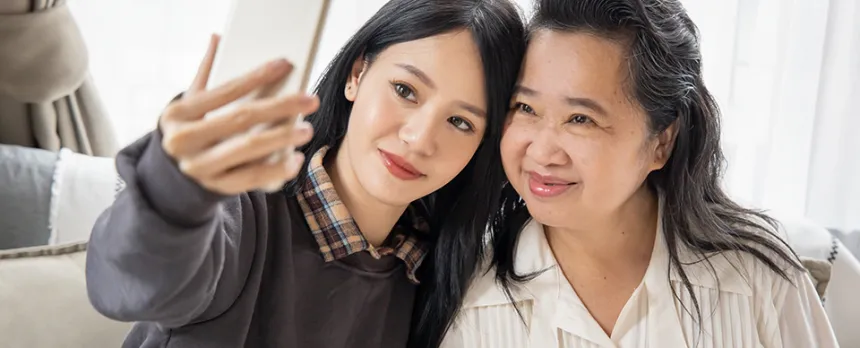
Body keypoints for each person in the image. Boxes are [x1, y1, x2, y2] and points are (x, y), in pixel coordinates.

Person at [84, 1, 526, 347]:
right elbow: (129, 286)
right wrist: (175, 190)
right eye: (405, 90)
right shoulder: (243, 216)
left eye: (461, 122)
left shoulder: (436, 277)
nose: (419, 137)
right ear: (357, 74)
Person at [441, 0, 839, 347]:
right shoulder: (470, 299)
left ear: (661, 143)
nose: (541, 151)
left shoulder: (760, 281)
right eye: (525, 108)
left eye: (581, 118)